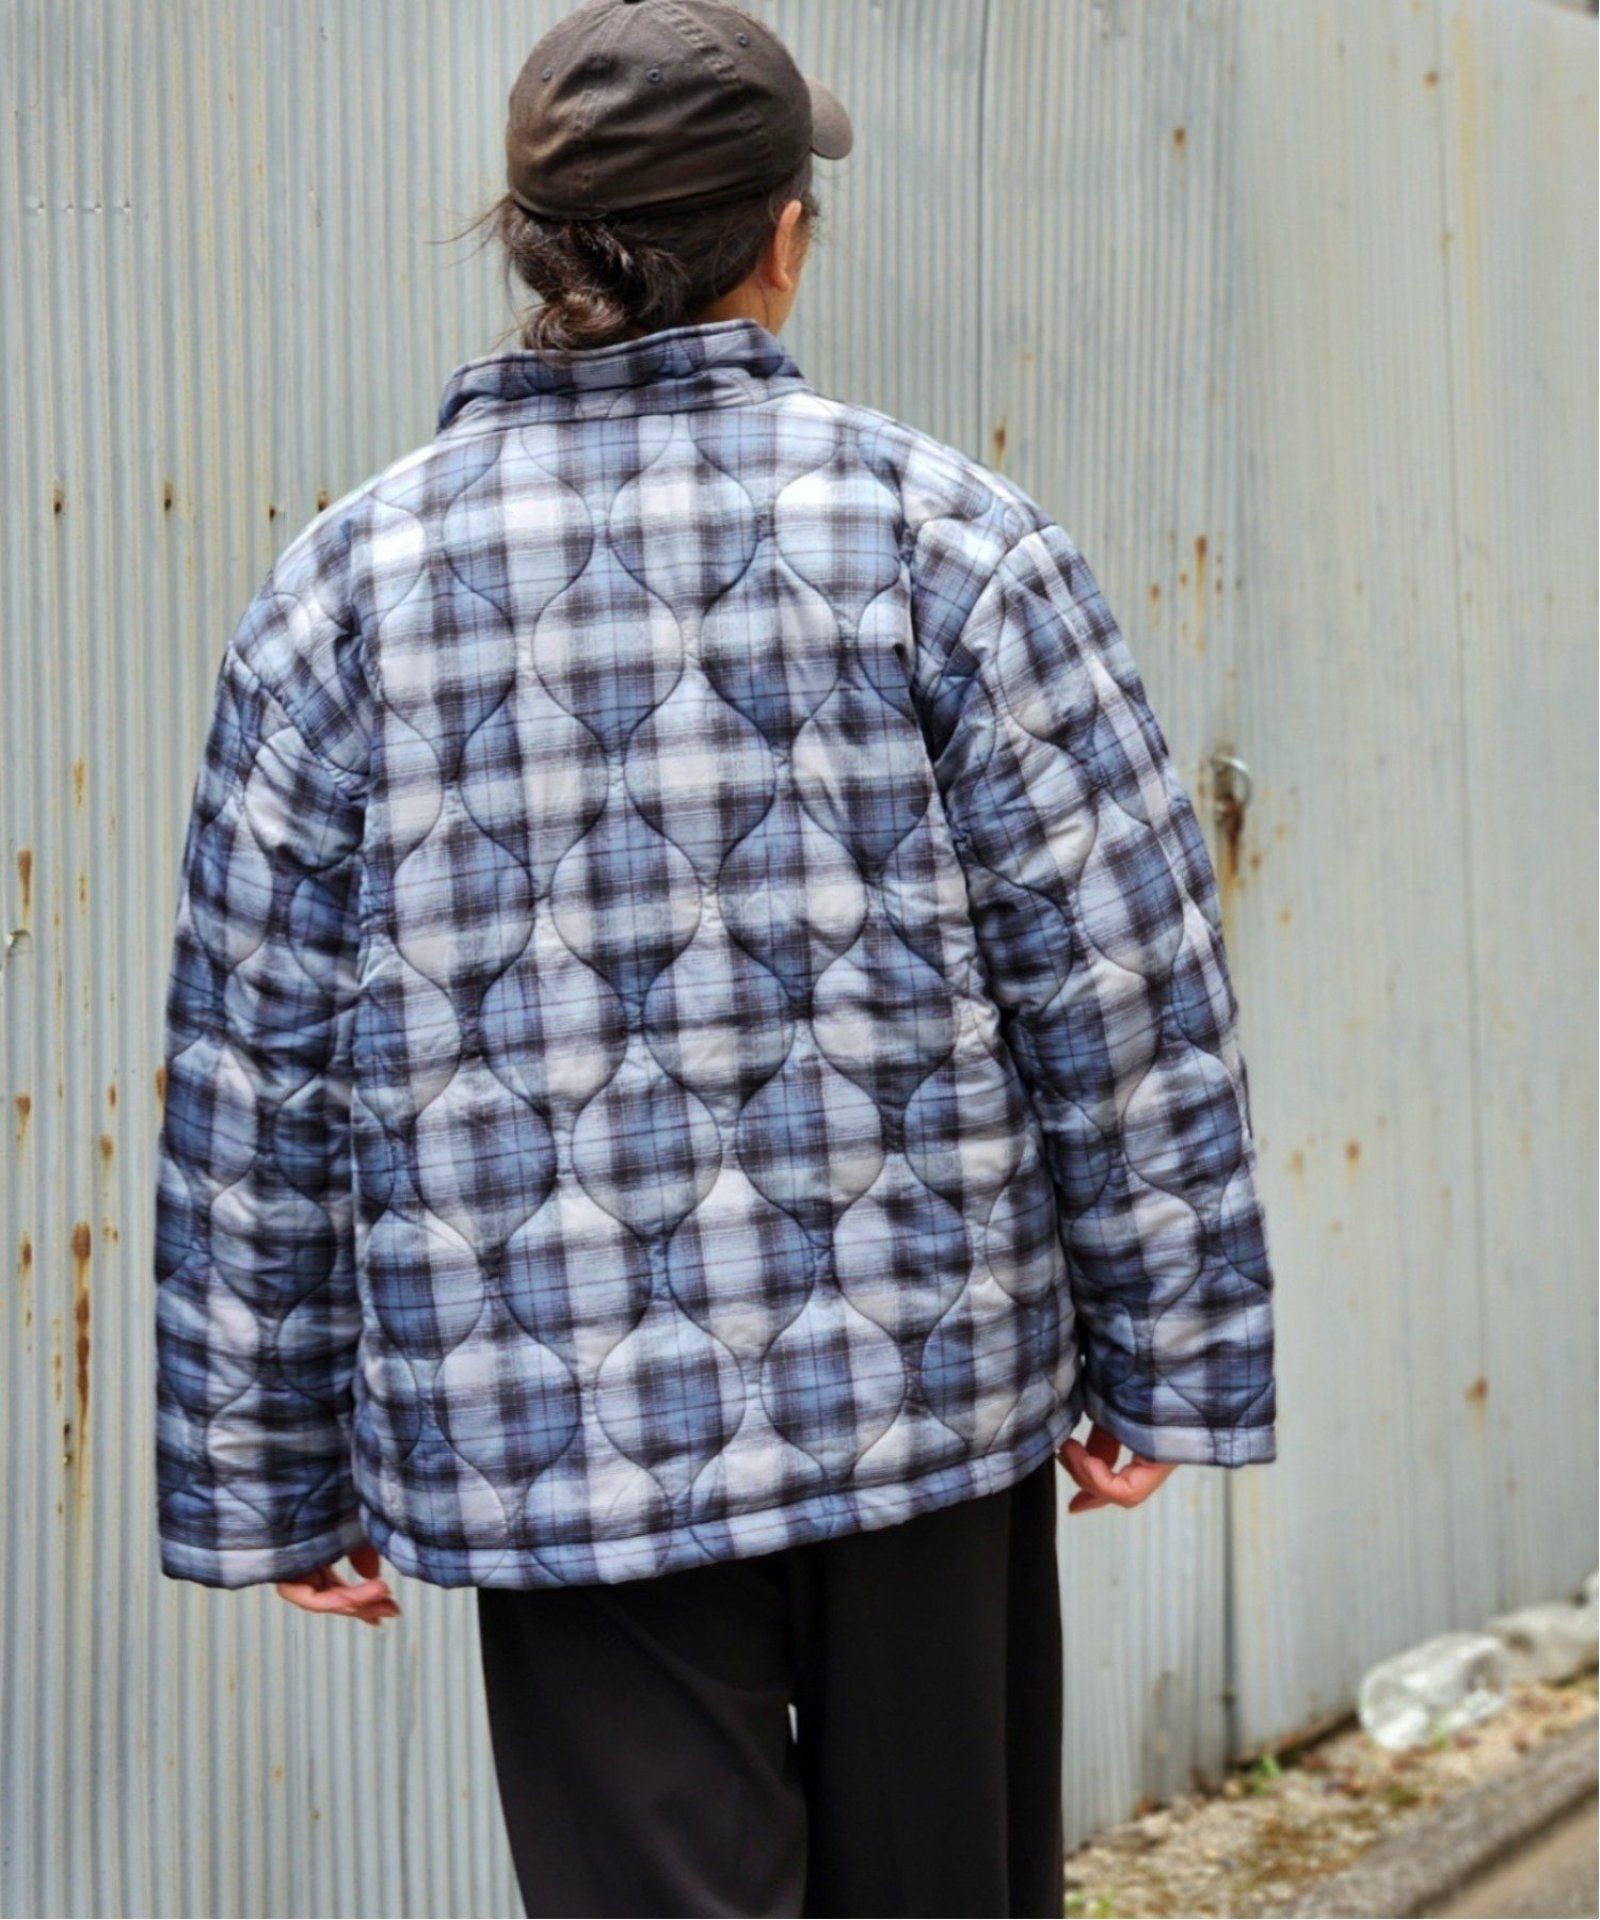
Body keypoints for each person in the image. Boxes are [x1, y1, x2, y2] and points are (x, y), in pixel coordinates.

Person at [152, 1, 1278, 1913]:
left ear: (535, 251)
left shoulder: (344, 592)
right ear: (781, 239)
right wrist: (1174, 1352)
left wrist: (263, 1462)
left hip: (551, 1434)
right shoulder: (949, 541)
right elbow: (1121, 980)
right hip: (926, 1397)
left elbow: (254, 1068)